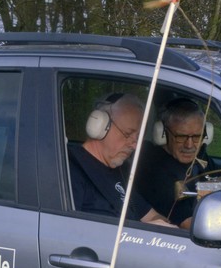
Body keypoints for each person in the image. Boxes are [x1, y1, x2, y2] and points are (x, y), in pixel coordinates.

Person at [68, 92, 174, 226]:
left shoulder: (121, 171)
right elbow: (70, 233)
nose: (135, 145)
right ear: (100, 125)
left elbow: (151, 215)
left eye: (138, 137)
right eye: (128, 134)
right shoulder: (71, 171)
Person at [135, 97, 217, 228]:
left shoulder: (201, 156)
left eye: (197, 137)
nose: (190, 145)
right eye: (181, 137)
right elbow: (189, 224)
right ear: (163, 133)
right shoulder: (154, 172)